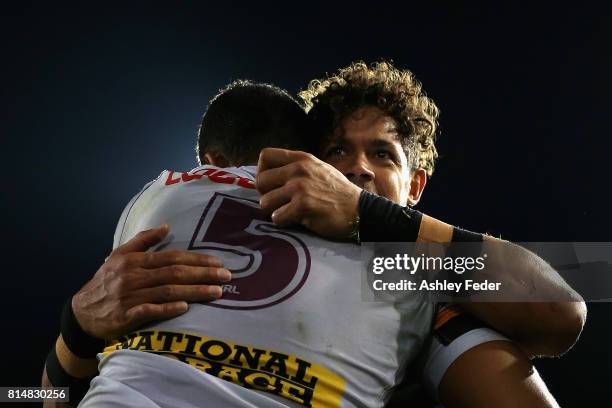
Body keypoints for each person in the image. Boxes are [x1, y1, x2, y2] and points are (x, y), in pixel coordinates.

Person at [43, 74, 566, 407]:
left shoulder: (414, 271)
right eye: (337, 152)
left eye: (383, 154)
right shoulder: (167, 230)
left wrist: (369, 217)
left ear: (416, 186)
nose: (356, 169)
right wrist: (77, 328)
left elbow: (566, 308)